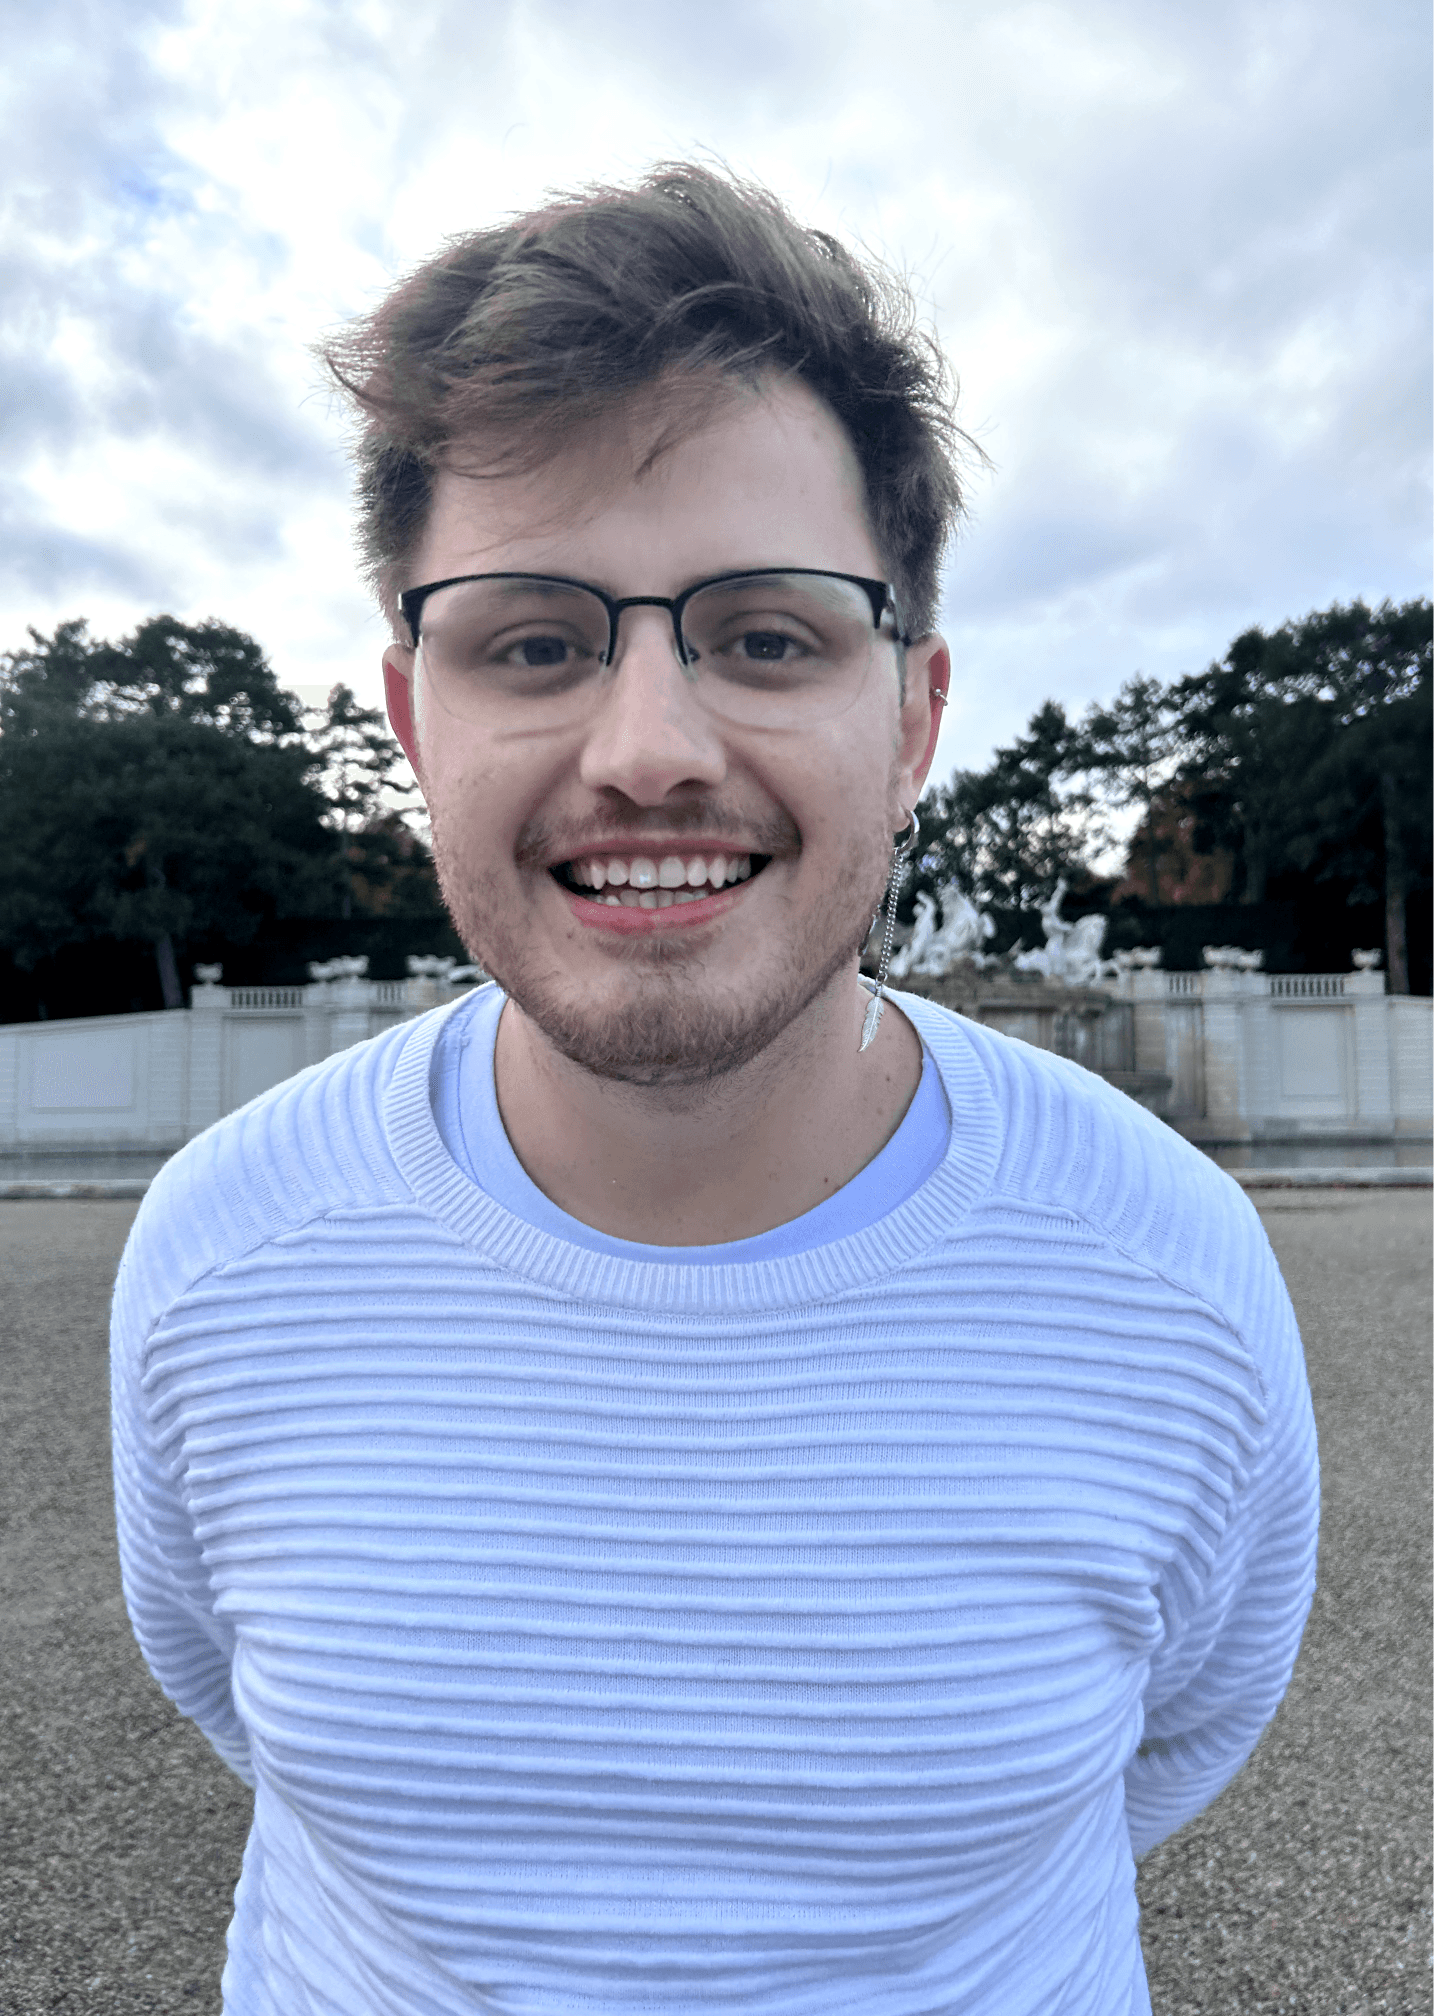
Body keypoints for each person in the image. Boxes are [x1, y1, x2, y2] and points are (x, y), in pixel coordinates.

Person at [111, 164, 1319, 2016]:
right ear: (415, 718)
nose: (651, 751)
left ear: (910, 717)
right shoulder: (218, 1251)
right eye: (533, 640)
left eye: (765, 636)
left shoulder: (1173, 1271)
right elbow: (233, 1700)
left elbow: (1172, 1738)